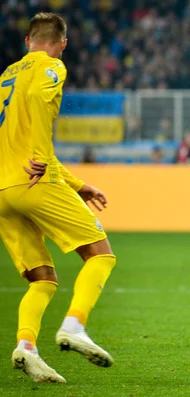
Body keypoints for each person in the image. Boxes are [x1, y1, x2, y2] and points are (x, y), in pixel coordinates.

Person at [0, 13, 116, 383]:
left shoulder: (5, 77)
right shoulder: (52, 67)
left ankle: (26, 347)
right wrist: (38, 156)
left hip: (2, 191)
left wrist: (78, 184)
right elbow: (38, 102)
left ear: (27, 40)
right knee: (100, 254)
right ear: (62, 43)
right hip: (33, 182)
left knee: (43, 279)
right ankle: (74, 327)